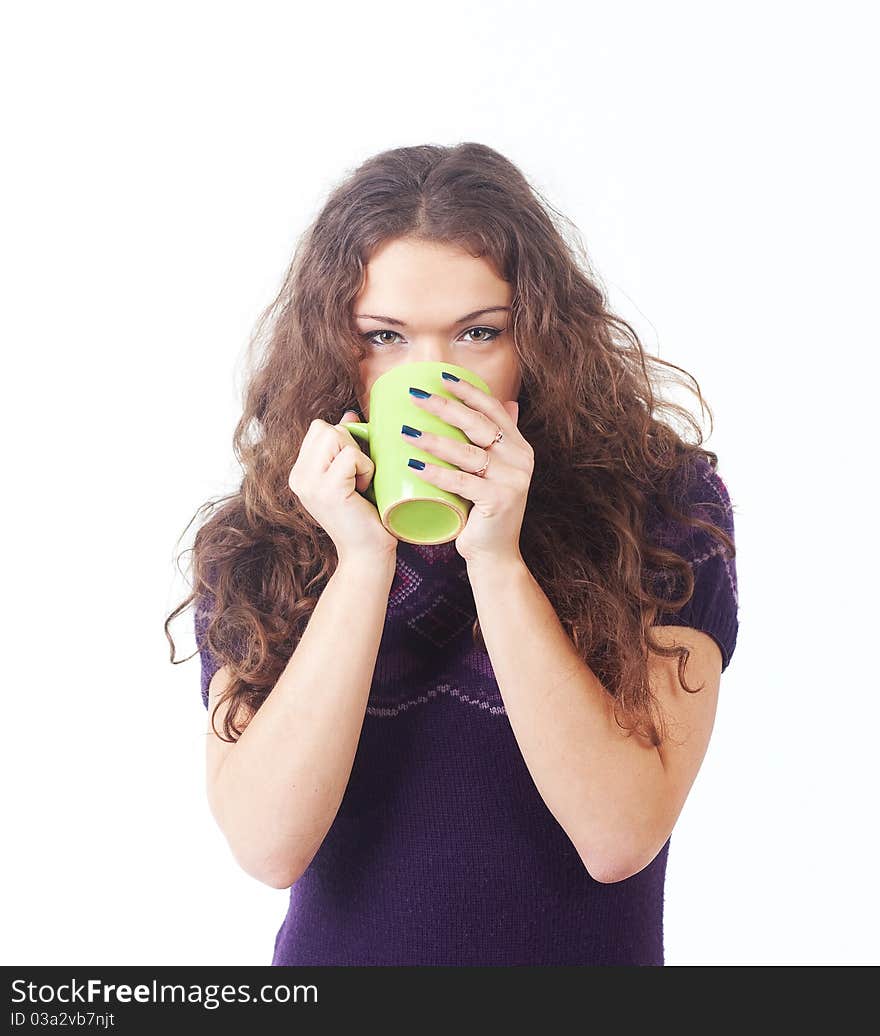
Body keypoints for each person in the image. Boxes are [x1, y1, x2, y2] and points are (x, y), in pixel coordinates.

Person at [168, 142, 739, 966]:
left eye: (478, 332)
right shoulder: (263, 539)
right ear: (336, 345)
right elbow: (267, 846)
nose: (432, 376)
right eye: (385, 337)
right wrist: (363, 563)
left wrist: (499, 562)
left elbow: (619, 835)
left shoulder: (662, 509)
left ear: (539, 338)